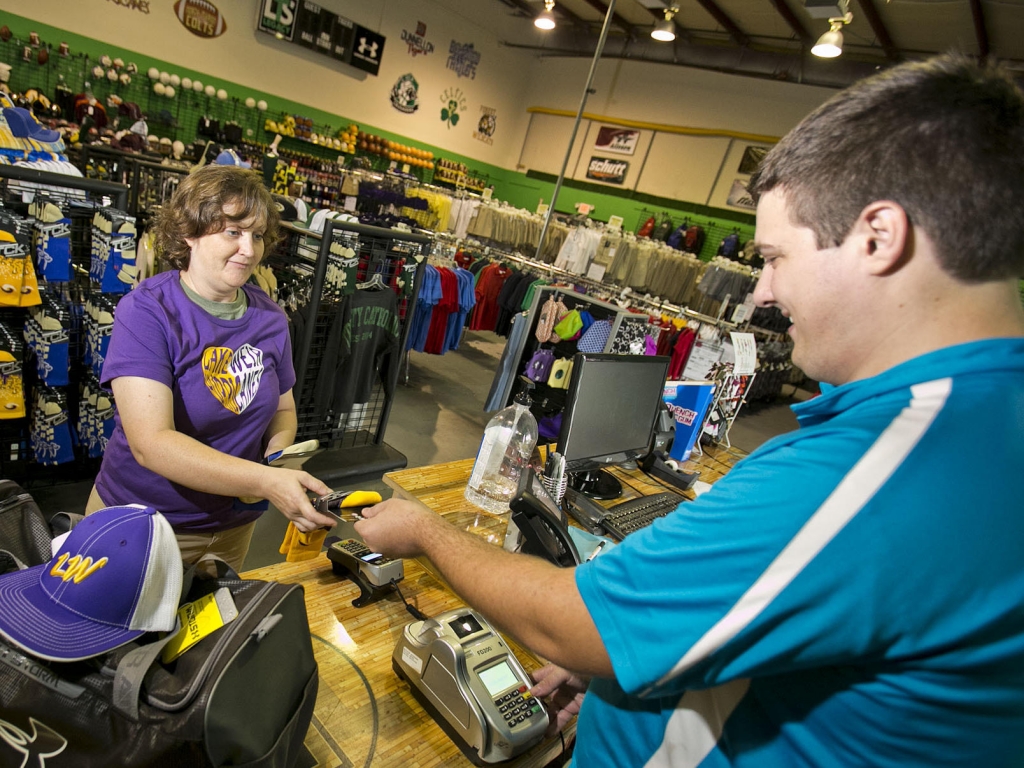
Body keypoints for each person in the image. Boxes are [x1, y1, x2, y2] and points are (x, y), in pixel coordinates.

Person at [354, 54, 1024, 767]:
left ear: (877, 238)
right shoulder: (987, 422)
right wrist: (637, 683)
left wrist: (426, 532)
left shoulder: (882, 468)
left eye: (774, 256)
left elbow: (575, 623)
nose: (762, 292)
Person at [88, 164, 335, 571]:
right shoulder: (149, 311)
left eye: (257, 236)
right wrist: (266, 482)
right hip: (141, 526)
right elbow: (151, 444)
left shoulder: (270, 318)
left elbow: (283, 410)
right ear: (190, 231)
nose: (249, 250)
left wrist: (279, 454)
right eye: (233, 232)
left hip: (234, 527)